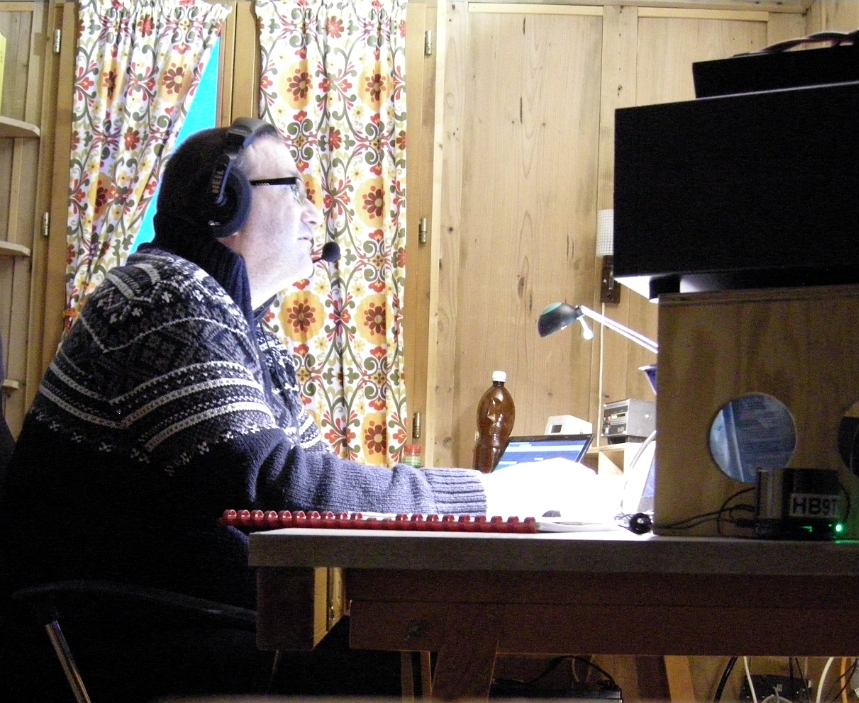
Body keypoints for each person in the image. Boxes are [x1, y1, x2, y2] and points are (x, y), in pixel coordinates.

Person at [0, 118, 603, 701]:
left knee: (511, 664)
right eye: (294, 189)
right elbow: (273, 483)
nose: (315, 214)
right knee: (494, 669)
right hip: (124, 640)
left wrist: (484, 500)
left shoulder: (246, 330)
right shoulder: (164, 295)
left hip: (187, 620)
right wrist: (486, 495)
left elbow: (315, 491)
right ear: (224, 205)